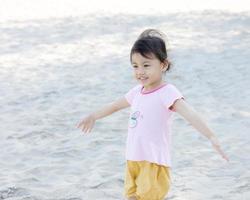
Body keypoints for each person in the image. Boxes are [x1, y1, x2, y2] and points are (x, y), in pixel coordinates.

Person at [76, 29, 229, 200]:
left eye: (146, 65)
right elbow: (114, 106)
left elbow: (190, 114)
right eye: (135, 66)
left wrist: (211, 135)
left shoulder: (167, 92)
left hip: (153, 162)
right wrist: (93, 116)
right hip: (133, 160)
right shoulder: (137, 92)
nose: (140, 71)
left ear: (163, 65)